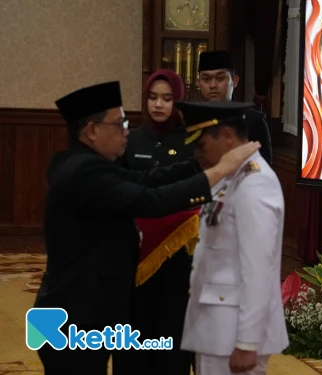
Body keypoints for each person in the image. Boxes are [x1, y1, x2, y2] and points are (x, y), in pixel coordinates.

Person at [33, 81, 260, 375]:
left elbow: (144, 180)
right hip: (75, 317)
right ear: (91, 130)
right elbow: (149, 200)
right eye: (119, 124)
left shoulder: (84, 162)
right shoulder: (83, 173)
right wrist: (220, 170)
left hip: (81, 311)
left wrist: (198, 165)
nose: (127, 131)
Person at [177, 100, 288, 375]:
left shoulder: (255, 183)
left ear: (227, 136)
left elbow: (258, 268)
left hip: (233, 333)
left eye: (201, 145)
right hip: (218, 329)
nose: (197, 154)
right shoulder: (231, 177)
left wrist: (247, 341)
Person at [113, 69, 196, 375]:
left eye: (167, 98)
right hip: (136, 253)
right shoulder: (130, 139)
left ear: (178, 101)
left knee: (173, 325)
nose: (158, 105)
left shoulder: (192, 140)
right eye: (152, 97)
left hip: (178, 255)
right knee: (135, 325)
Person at [197, 50, 273, 165]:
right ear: (198, 83)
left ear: (234, 81)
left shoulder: (253, 120)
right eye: (206, 79)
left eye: (220, 78)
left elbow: (264, 168)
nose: (212, 85)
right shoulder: (191, 118)